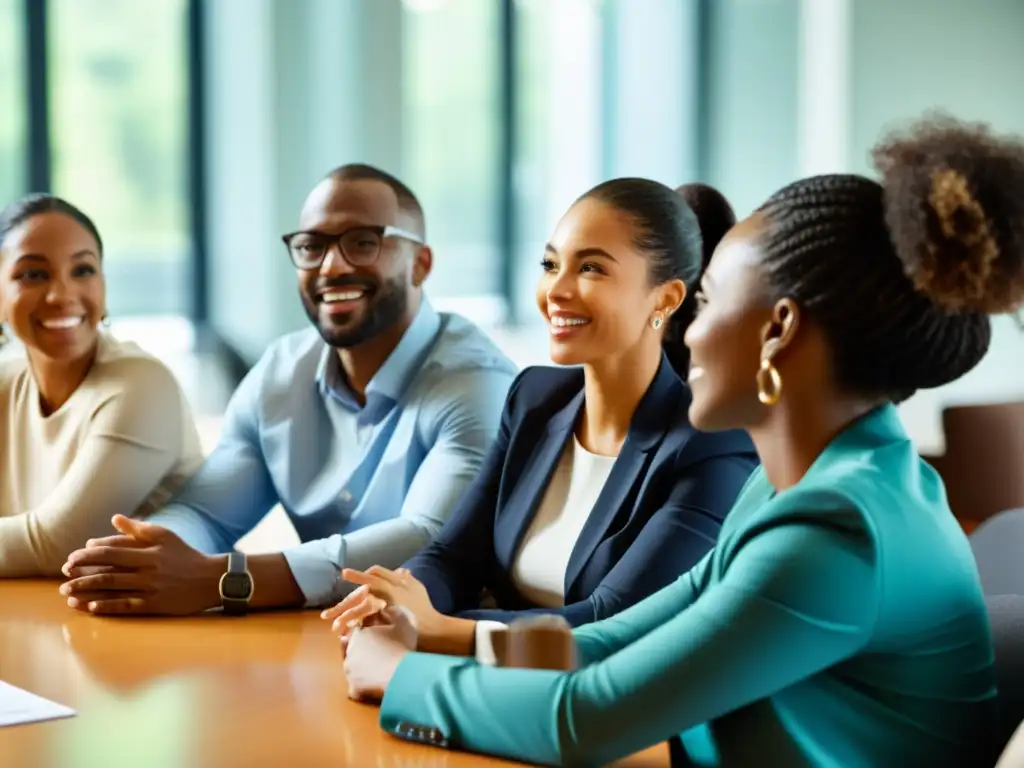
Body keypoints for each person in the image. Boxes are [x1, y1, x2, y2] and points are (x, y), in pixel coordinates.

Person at [339, 114, 1024, 766]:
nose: (688, 333)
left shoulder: (837, 531)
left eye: (706, 301)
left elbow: (586, 720)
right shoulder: (803, 483)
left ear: (778, 330)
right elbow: (624, 639)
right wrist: (437, 636)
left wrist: (398, 676)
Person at [322, 179, 757, 661]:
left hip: (604, 716)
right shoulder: (534, 398)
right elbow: (453, 557)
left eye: (590, 268)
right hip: (483, 690)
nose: (557, 290)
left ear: (666, 298)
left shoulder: (711, 443)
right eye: (551, 265)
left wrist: (436, 627)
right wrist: (402, 602)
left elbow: (612, 620)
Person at [58, 164, 517, 616]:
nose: (331, 266)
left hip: (452, 643)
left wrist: (223, 578)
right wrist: (147, 555)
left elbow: (429, 537)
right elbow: (205, 512)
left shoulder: (477, 383)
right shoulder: (280, 374)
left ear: (420, 264)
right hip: (320, 640)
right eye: (312, 246)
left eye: (363, 242)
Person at [0, 194, 203, 577]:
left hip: (177, 628)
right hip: (56, 617)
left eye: (83, 271)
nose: (61, 294)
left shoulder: (141, 384)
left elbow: (56, 544)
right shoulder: (8, 381)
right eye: (33, 274)